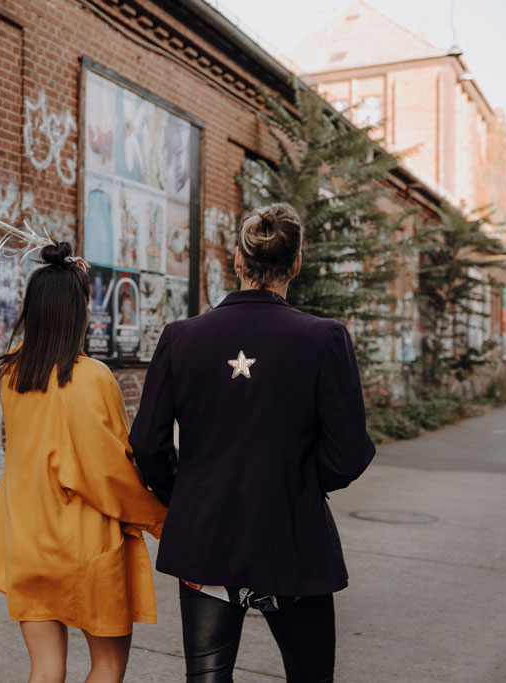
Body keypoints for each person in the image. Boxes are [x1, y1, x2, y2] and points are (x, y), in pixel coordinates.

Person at [129, 203, 376, 683]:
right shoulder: (325, 338)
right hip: (292, 536)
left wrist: (189, 495)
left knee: (207, 677)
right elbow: (350, 451)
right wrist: (298, 483)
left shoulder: (181, 337)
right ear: (297, 264)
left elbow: (148, 444)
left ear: (238, 262)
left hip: (206, 539)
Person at [0, 242, 168, 683]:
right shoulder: (90, 379)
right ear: (80, 313)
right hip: (84, 545)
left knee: (44, 668)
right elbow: (108, 474)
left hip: (27, 539)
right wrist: (160, 518)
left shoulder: (12, 374)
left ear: (34, 311)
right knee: (108, 664)